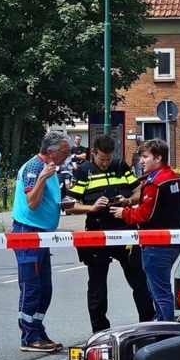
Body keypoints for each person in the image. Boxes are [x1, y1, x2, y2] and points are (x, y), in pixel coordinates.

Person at [66, 134, 155, 333]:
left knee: (140, 281)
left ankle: (148, 325)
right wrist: (91, 208)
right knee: (97, 286)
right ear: (93, 154)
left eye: (108, 159)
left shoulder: (120, 166)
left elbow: (139, 192)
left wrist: (127, 201)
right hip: (97, 231)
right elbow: (69, 206)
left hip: (125, 229)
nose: (105, 163)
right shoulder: (83, 172)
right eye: (101, 159)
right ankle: (99, 331)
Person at [111, 138, 180, 322]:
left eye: (145, 157)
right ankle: (162, 325)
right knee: (160, 290)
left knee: (160, 293)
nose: (141, 161)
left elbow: (145, 215)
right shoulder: (174, 177)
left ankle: (166, 332)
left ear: (158, 158)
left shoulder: (155, 183)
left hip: (155, 244)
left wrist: (124, 213)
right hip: (172, 242)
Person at [11, 131, 70, 352]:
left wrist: (62, 204)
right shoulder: (35, 168)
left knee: (45, 287)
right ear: (52, 152)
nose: (68, 155)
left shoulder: (50, 168)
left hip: (42, 234)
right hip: (28, 232)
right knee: (31, 286)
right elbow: (32, 202)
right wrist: (43, 178)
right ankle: (28, 336)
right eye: (65, 151)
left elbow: (46, 199)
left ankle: (37, 329)